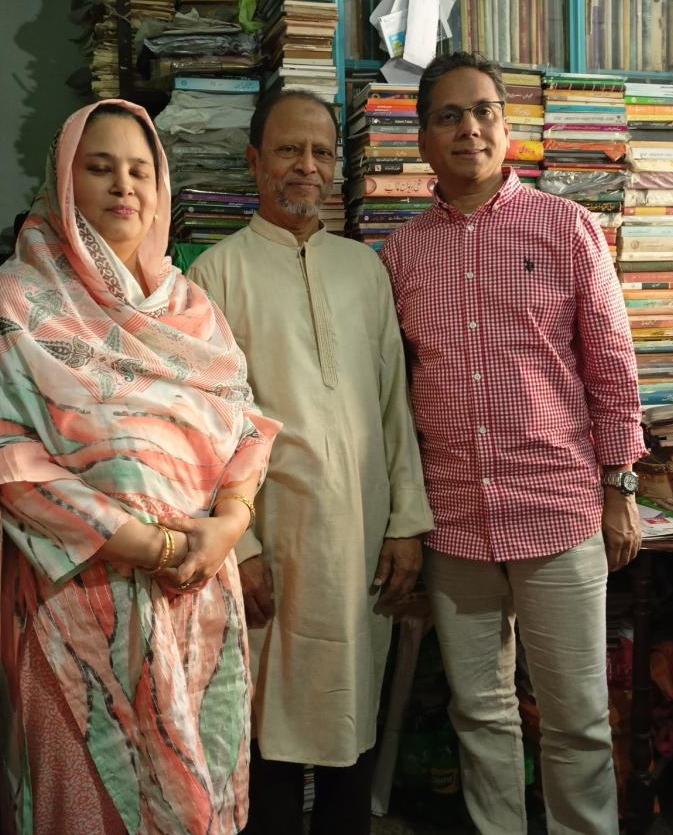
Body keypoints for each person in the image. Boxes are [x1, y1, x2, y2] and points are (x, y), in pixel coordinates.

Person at [0, 99, 280, 835]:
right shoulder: (19, 302)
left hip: (198, 598)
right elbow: (14, 464)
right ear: (63, 179)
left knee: (197, 804)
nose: (124, 187)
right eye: (100, 167)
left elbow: (244, 427)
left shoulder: (191, 308)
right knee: (96, 806)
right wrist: (152, 545)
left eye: (141, 171)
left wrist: (227, 526)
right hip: (86, 608)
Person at [378, 53, 645, 835]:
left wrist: (621, 489)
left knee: (577, 719)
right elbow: (394, 397)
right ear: (423, 139)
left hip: (558, 511)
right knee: (480, 713)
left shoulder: (566, 228)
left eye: (484, 111)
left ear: (507, 127)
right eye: (449, 116)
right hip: (455, 521)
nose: (469, 129)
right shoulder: (400, 256)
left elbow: (613, 368)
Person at [186, 90, 434, 835]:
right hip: (271, 548)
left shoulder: (365, 271)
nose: (307, 166)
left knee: (348, 733)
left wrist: (406, 524)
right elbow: (203, 430)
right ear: (254, 160)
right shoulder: (214, 277)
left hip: (360, 544)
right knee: (265, 742)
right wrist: (243, 550)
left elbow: (395, 407)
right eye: (289, 150)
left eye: (322, 152)